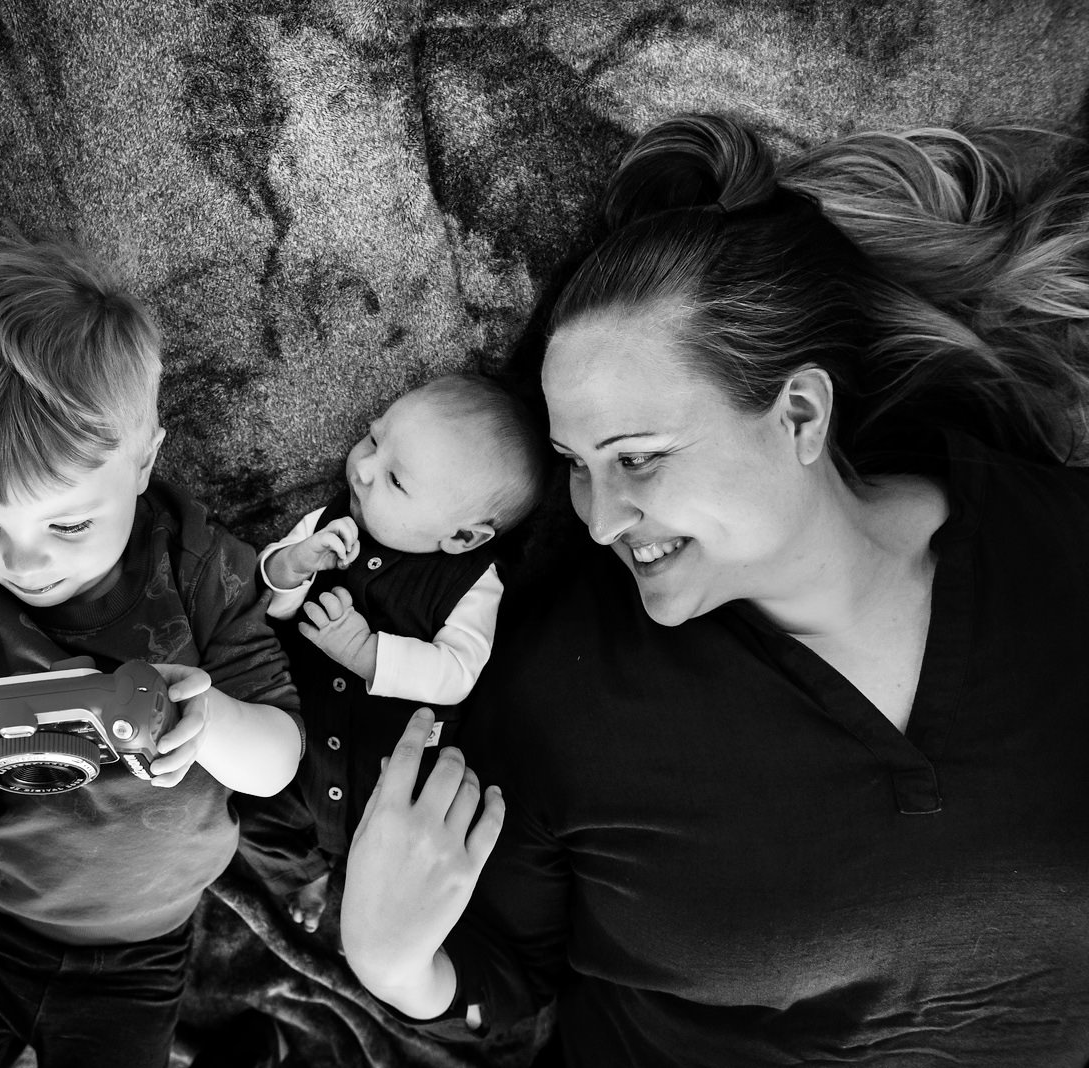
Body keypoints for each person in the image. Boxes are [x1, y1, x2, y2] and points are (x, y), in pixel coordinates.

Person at [339, 114, 1089, 1065]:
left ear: (801, 413)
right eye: (575, 464)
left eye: (639, 458)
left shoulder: (1060, 554)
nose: (601, 519)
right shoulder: (563, 690)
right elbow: (507, 983)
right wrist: (390, 958)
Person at [0, 231, 304, 1068]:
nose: (24, 562)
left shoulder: (201, 567)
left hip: (148, 942)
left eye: (68, 523)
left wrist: (206, 723)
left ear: (143, 463)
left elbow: (279, 763)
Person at [245, 372, 547, 933]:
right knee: (255, 815)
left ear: (461, 538)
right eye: (374, 438)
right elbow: (265, 603)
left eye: (395, 481)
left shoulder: (473, 581)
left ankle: (362, 896)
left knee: (397, 851)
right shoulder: (331, 523)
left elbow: (458, 672)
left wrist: (366, 653)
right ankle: (304, 875)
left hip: (386, 777)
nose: (361, 467)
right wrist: (291, 565)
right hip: (296, 739)